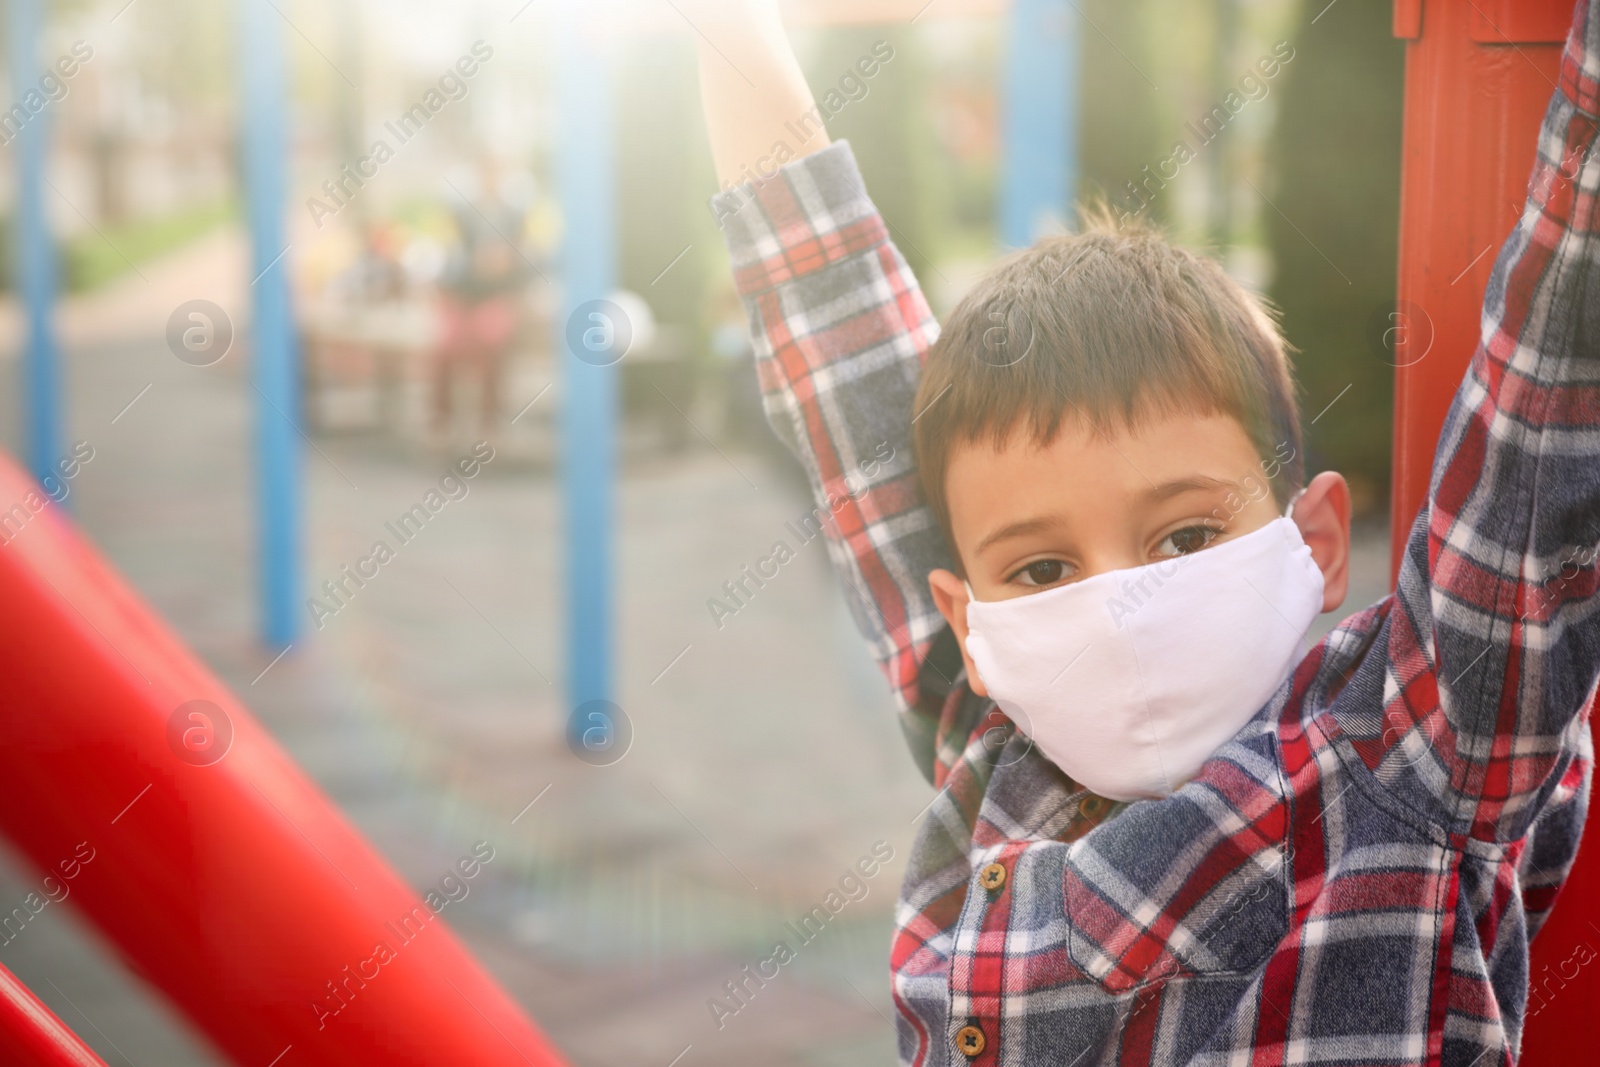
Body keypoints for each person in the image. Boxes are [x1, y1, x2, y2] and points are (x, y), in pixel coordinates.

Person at [690, 1, 1599, 1063]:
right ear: (966, 621)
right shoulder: (993, 744)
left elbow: (1548, 388)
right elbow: (830, 332)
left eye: (1179, 537)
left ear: (1311, 539)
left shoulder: (1402, 751)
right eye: (1042, 567)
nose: (1115, 606)